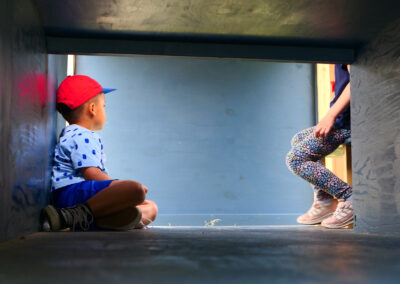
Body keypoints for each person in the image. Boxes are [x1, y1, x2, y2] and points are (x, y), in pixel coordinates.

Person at [42, 75, 158, 231]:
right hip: (72, 194)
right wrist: (119, 186)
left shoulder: (72, 133)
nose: (104, 110)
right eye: (104, 106)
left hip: (76, 196)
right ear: (92, 109)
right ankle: (70, 216)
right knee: (135, 190)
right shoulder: (82, 135)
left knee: (150, 208)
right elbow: (91, 173)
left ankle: (82, 220)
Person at [286, 64, 352, 229]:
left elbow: (358, 81)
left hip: (348, 124)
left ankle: (350, 198)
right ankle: (325, 201)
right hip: (342, 121)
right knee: (298, 139)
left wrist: (330, 116)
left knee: (296, 159)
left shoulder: (347, 43)